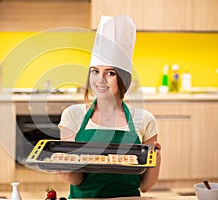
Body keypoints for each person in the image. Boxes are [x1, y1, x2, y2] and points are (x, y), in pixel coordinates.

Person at [57, 15, 161, 198]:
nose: (100, 80)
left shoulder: (145, 120)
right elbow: (77, 180)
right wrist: (65, 169)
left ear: (123, 79)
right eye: (95, 71)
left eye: (110, 73)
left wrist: (156, 158)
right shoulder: (73, 116)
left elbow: (145, 186)